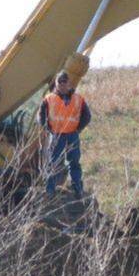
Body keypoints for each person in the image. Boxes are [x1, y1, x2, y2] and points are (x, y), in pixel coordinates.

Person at [38, 70, 91, 198]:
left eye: (64, 82)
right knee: (53, 162)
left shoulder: (78, 99)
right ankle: (50, 190)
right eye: (59, 82)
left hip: (72, 135)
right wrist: (49, 129)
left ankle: (77, 188)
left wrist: (78, 129)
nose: (62, 85)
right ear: (56, 84)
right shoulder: (49, 99)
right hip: (57, 135)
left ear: (69, 83)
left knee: (74, 162)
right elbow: (41, 117)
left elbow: (87, 116)